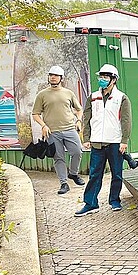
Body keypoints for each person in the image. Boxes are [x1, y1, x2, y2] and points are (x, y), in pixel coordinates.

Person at [75, 64, 132, 217]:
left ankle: (114, 200)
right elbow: (86, 118)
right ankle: (90, 203)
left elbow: (126, 121)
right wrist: (86, 138)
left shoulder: (121, 97)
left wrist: (124, 140)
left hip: (115, 142)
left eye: (105, 77)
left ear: (113, 79)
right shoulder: (93, 97)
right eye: (101, 77)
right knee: (94, 174)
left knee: (117, 173)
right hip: (96, 142)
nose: (102, 80)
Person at [32, 65, 85, 195]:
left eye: (56, 75)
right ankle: (63, 183)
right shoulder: (42, 95)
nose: (53, 77)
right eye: (51, 75)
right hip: (52, 132)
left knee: (77, 151)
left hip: (69, 129)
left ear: (61, 78)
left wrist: (78, 121)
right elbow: (35, 114)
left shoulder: (68, 93)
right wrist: (43, 125)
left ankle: (73, 174)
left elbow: (79, 109)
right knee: (58, 157)